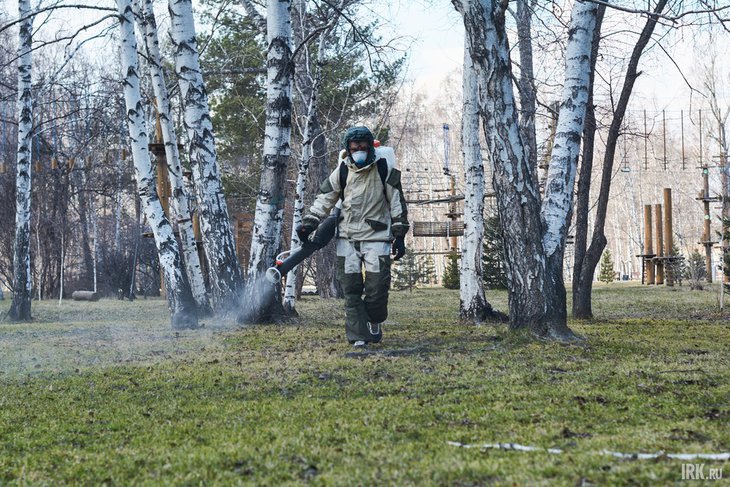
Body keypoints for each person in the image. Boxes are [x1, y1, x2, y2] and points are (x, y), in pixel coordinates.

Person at [297, 126, 409, 348]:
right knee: (351, 289)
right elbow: (324, 199)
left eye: (362, 145)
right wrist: (310, 223)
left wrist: (400, 235)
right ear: (347, 149)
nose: (359, 150)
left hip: (377, 238)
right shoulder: (341, 171)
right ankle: (359, 336)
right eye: (354, 147)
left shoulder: (384, 168)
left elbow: (397, 202)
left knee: (377, 289)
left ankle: (374, 321)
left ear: (370, 146)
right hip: (347, 239)